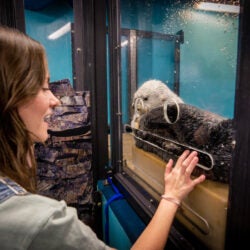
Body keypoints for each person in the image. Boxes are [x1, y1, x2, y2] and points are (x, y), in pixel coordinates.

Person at [0, 25, 206, 250]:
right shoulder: (42, 223)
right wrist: (171, 198)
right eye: (42, 87)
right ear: (9, 98)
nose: (56, 100)